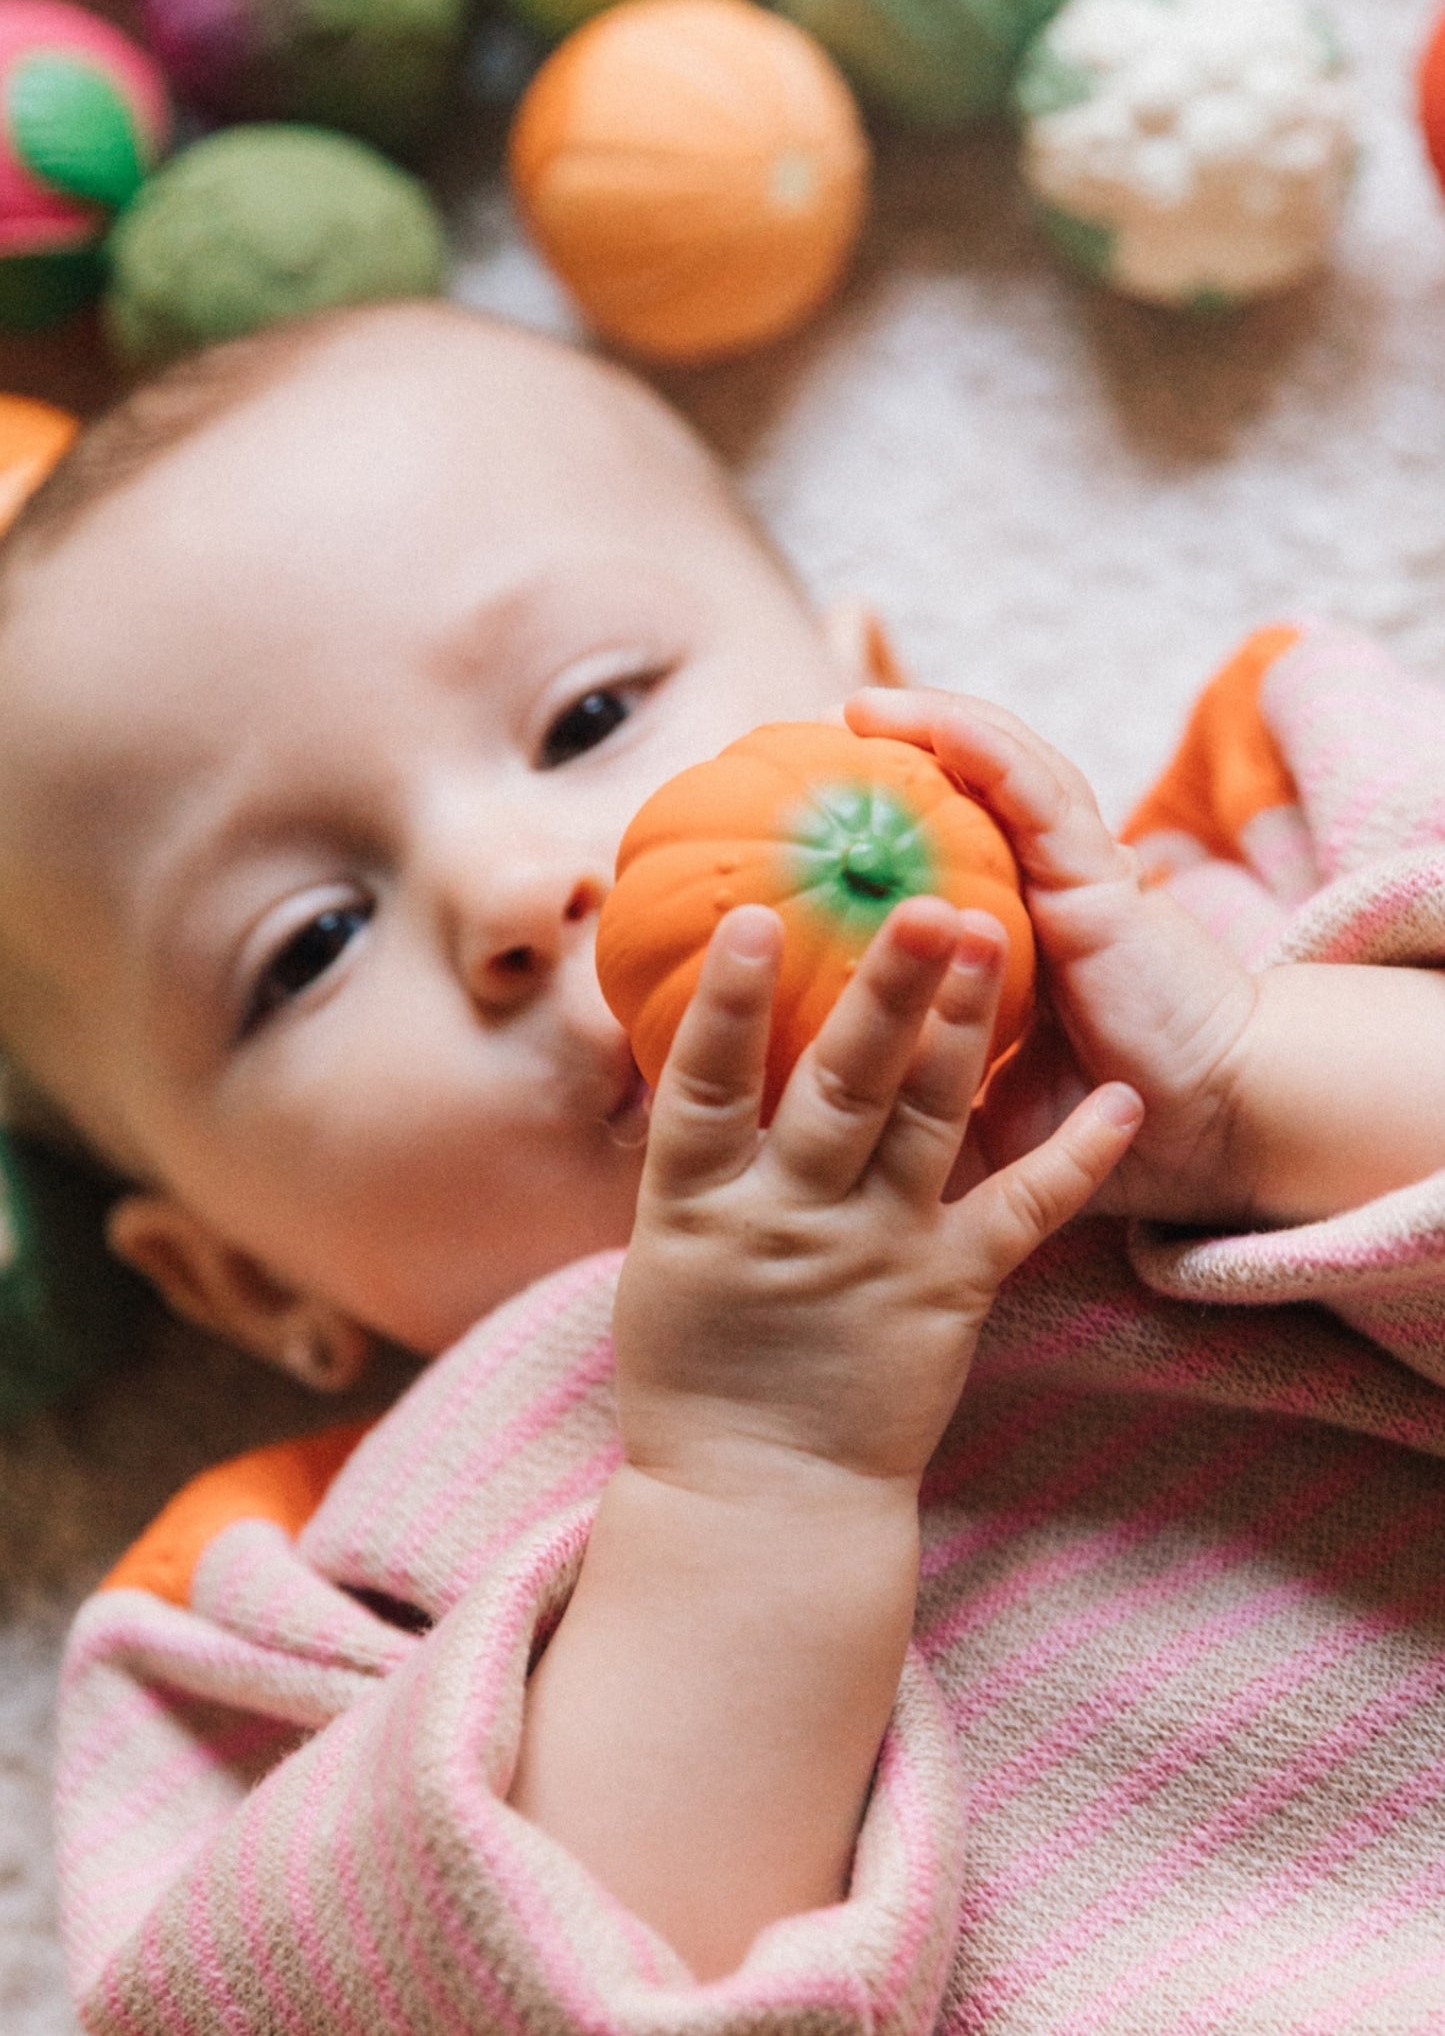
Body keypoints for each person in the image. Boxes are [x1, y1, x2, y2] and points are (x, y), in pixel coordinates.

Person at [10, 301, 1443, 2033]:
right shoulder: (296, 1612)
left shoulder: (1279, 899)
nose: (515, 888)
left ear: (880, 699)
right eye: (308, 944)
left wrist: (1245, 1091)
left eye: (588, 713)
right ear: (249, 1280)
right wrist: (754, 1483)